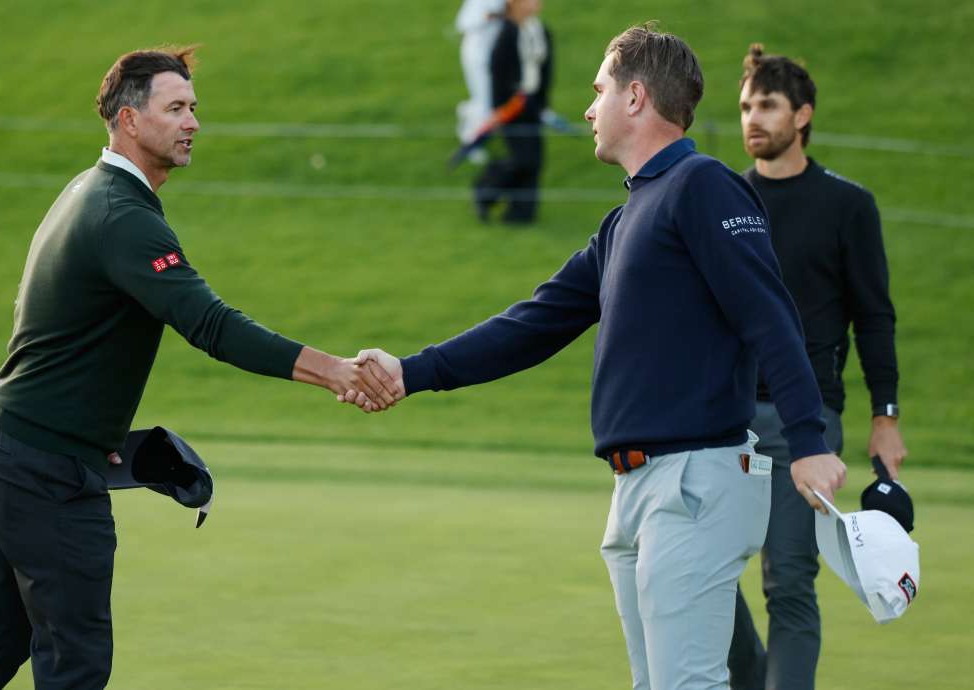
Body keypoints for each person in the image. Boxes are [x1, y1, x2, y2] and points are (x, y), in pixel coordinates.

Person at [345, 24, 848, 690]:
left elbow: (770, 317)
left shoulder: (703, 186)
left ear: (635, 97)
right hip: (636, 488)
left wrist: (809, 440)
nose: (587, 109)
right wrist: (411, 373)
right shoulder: (624, 220)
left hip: (693, 482)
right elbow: (535, 322)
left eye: (599, 89)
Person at [0, 46, 400, 690]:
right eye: (175, 108)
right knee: (74, 661)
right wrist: (337, 371)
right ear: (128, 120)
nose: (193, 122)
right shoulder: (121, 215)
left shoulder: (92, 190)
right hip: (43, 468)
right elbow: (212, 325)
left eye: (193, 108)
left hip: (11, 446)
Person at [726, 44, 907, 690]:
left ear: (801, 115)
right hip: (723, 420)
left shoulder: (847, 206)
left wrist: (885, 417)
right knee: (704, 574)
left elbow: (874, 319)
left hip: (807, 422)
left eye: (767, 105)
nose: (752, 118)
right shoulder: (720, 201)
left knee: (789, 583)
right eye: (745, 106)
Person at [473, 0, 553, 225]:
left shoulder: (540, 31)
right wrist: (498, 109)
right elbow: (497, 71)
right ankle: (485, 190)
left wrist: (542, 104)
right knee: (521, 158)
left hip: (533, 104)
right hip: (511, 106)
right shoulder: (506, 33)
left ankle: (521, 213)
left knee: (535, 160)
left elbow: (546, 71)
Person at [455, 0, 507, 163]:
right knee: (485, 102)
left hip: (495, 56)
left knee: (490, 100)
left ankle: (468, 111)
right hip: (477, 57)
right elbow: (463, 23)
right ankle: (471, 141)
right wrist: (494, 15)